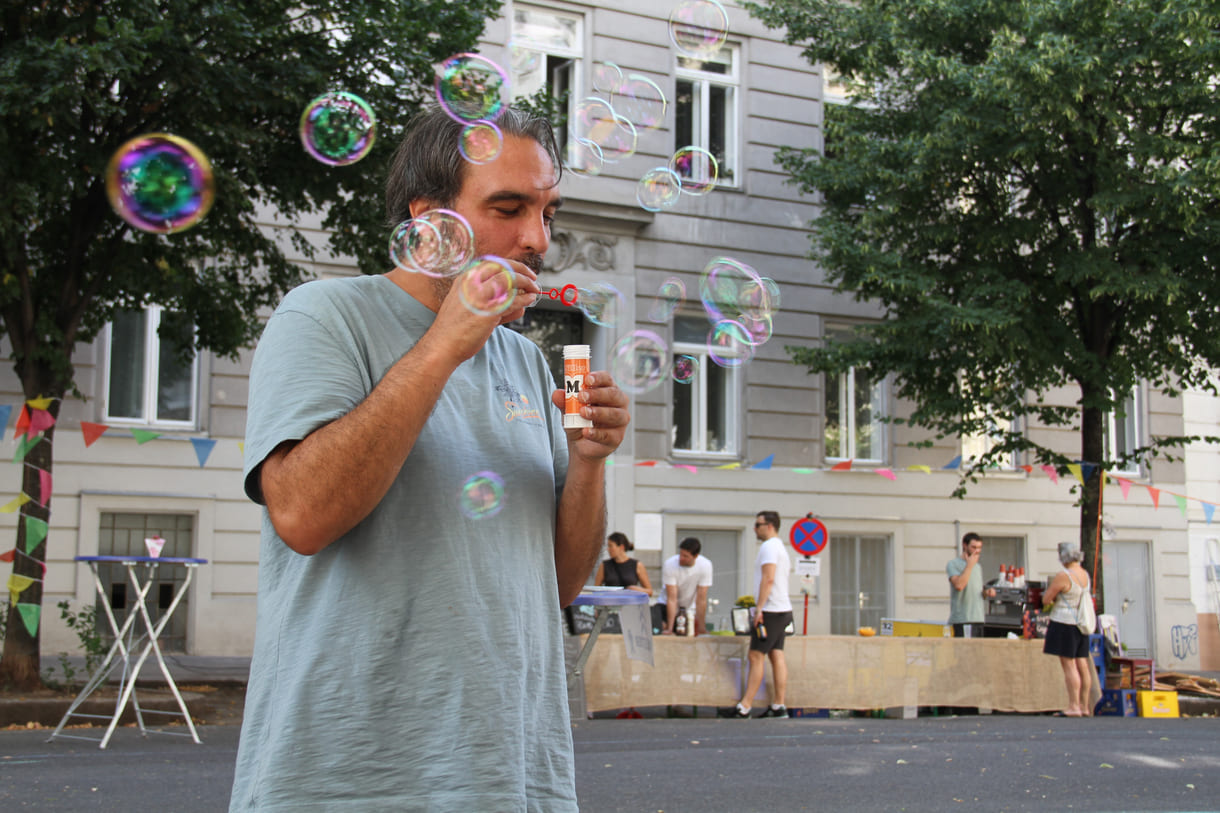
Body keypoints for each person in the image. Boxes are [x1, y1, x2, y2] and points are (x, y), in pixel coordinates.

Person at [229, 105, 630, 811]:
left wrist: (591, 463)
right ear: (430, 223)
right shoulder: (323, 316)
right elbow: (301, 513)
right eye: (509, 208)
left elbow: (558, 584)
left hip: (511, 776)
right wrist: (444, 346)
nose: (537, 238)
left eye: (548, 211)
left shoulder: (530, 366)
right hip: (347, 778)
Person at [721, 511, 792, 719]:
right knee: (776, 654)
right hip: (782, 608)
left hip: (771, 609)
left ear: (769, 526)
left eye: (758, 524)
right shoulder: (781, 547)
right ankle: (779, 705)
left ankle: (745, 706)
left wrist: (759, 608)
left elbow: (768, 578)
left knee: (755, 655)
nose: (754, 528)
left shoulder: (769, 547)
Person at [1041, 542, 1098, 717]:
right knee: (1082, 663)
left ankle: (1073, 705)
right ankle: (1085, 705)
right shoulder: (1084, 575)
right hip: (1081, 622)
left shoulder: (1063, 576)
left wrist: (1052, 598)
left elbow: (1046, 599)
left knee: (1069, 665)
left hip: (1064, 622)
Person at [653, 537, 713, 635]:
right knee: (659, 626)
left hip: (687, 608)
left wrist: (702, 628)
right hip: (666, 605)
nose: (681, 558)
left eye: (685, 556)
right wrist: (669, 628)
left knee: (687, 630)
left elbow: (701, 599)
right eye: (680, 554)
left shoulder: (705, 565)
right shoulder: (670, 564)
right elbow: (672, 598)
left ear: (695, 556)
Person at [946, 531, 996, 637]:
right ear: (965, 545)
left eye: (979, 548)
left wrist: (986, 592)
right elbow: (959, 585)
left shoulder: (977, 567)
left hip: (978, 618)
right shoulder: (953, 564)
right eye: (973, 547)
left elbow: (976, 591)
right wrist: (969, 565)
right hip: (963, 619)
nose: (977, 551)